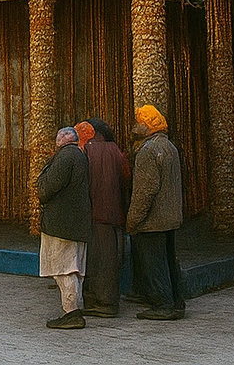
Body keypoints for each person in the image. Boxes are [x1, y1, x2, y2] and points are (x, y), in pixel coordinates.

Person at [126, 104, 184, 321]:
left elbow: (145, 191)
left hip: (152, 220)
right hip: (169, 218)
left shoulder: (148, 151)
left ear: (147, 125)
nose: (135, 125)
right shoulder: (169, 147)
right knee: (168, 260)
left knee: (154, 263)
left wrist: (133, 220)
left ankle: (162, 304)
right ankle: (177, 302)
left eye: (140, 122)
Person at [37, 126, 92, 329]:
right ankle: (76, 308)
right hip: (77, 222)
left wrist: (40, 185)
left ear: (60, 140)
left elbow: (46, 188)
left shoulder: (65, 158)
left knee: (64, 268)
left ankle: (72, 313)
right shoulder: (79, 155)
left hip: (62, 224)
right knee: (75, 268)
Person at [78, 118, 128, 318]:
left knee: (97, 261)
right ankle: (105, 300)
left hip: (94, 214)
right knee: (110, 260)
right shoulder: (116, 151)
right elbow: (126, 179)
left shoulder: (86, 151)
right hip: (115, 214)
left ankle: (104, 303)